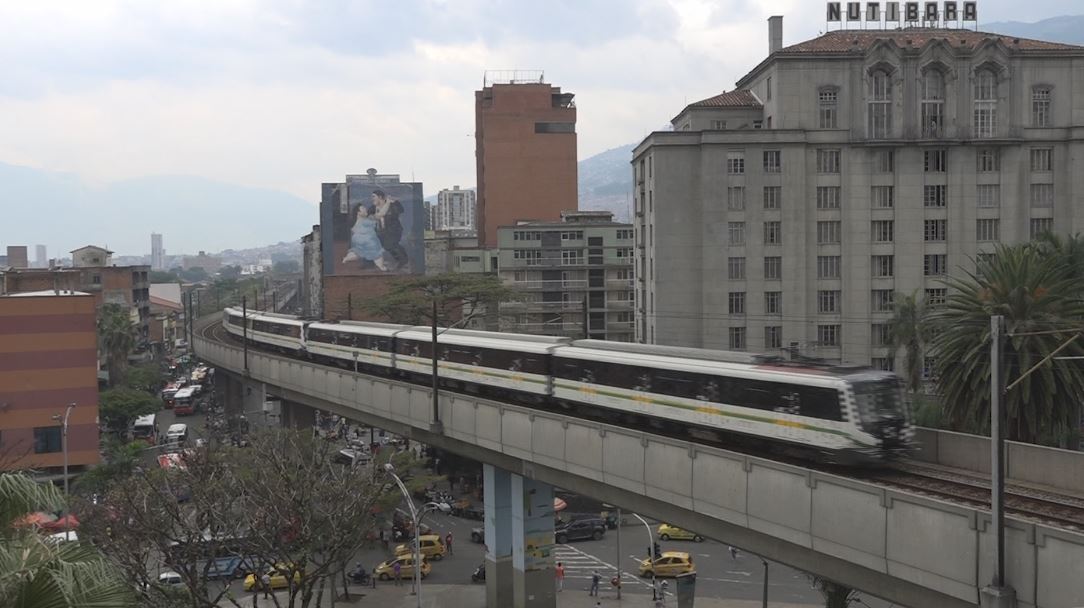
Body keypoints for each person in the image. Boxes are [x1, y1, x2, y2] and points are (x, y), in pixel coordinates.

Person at [342, 202, 386, 269]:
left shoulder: (357, 220)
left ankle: (346, 258)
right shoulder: (365, 220)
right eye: (363, 209)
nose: (365, 209)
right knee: (377, 254)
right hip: (368, 240)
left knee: (358, 253)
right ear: (358, 212)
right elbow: (380, 216)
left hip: (358, 239)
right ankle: (382, 267)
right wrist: (387, 203)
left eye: (365, 208)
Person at [372, 189, 408, 270]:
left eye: (374, 196)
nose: (372, 199)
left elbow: (401, 210)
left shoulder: (392, 205)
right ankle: (401, 259)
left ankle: (403, 260)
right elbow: (376, 216)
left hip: (394, 230)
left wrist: (395, 202)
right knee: (387, 246)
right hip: (382, 231)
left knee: (391, 244)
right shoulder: (374, 207)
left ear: (380, 197)